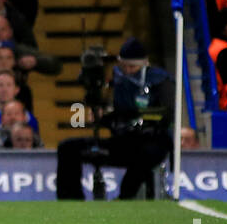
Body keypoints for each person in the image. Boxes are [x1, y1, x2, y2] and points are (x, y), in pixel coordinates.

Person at [55, 38, 174, 200]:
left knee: (145, 155)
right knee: (67, 148)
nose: (128, 70)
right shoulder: (116, 80)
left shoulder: (160, 80)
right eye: (124, 65)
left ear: (146, 63)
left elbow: (166, 113)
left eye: (132, 67)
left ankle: (125, 197)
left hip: (151, 140)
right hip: (122, 141)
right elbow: (103, 111)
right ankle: (71, 202)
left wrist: (132, 115)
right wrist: (101, 114)